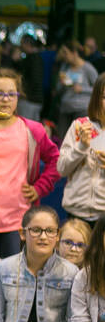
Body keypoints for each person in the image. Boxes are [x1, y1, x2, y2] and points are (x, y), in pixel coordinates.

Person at [0, 68, 60, 258]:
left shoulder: (32, 130)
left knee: (14, 279)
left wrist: (40, 188)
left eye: (12, 94)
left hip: (19, 220)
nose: (6, 99)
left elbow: (56, 160)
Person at [57, 72, 105, 225]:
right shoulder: (80, 126)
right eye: (104, 97)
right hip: (76, 212)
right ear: (96, 99)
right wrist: (81, 146)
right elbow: (62, 169)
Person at [55, 41, 98, 138]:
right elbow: (58, 90)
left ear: (74, 53)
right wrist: (61, 83)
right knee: (63, 138)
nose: (64, 56)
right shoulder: (65, 67)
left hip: (81, 109)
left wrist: (82, 89)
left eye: (66, 52)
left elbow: (98, 88)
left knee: (78, 138)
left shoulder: (87, 68)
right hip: (66, 108)